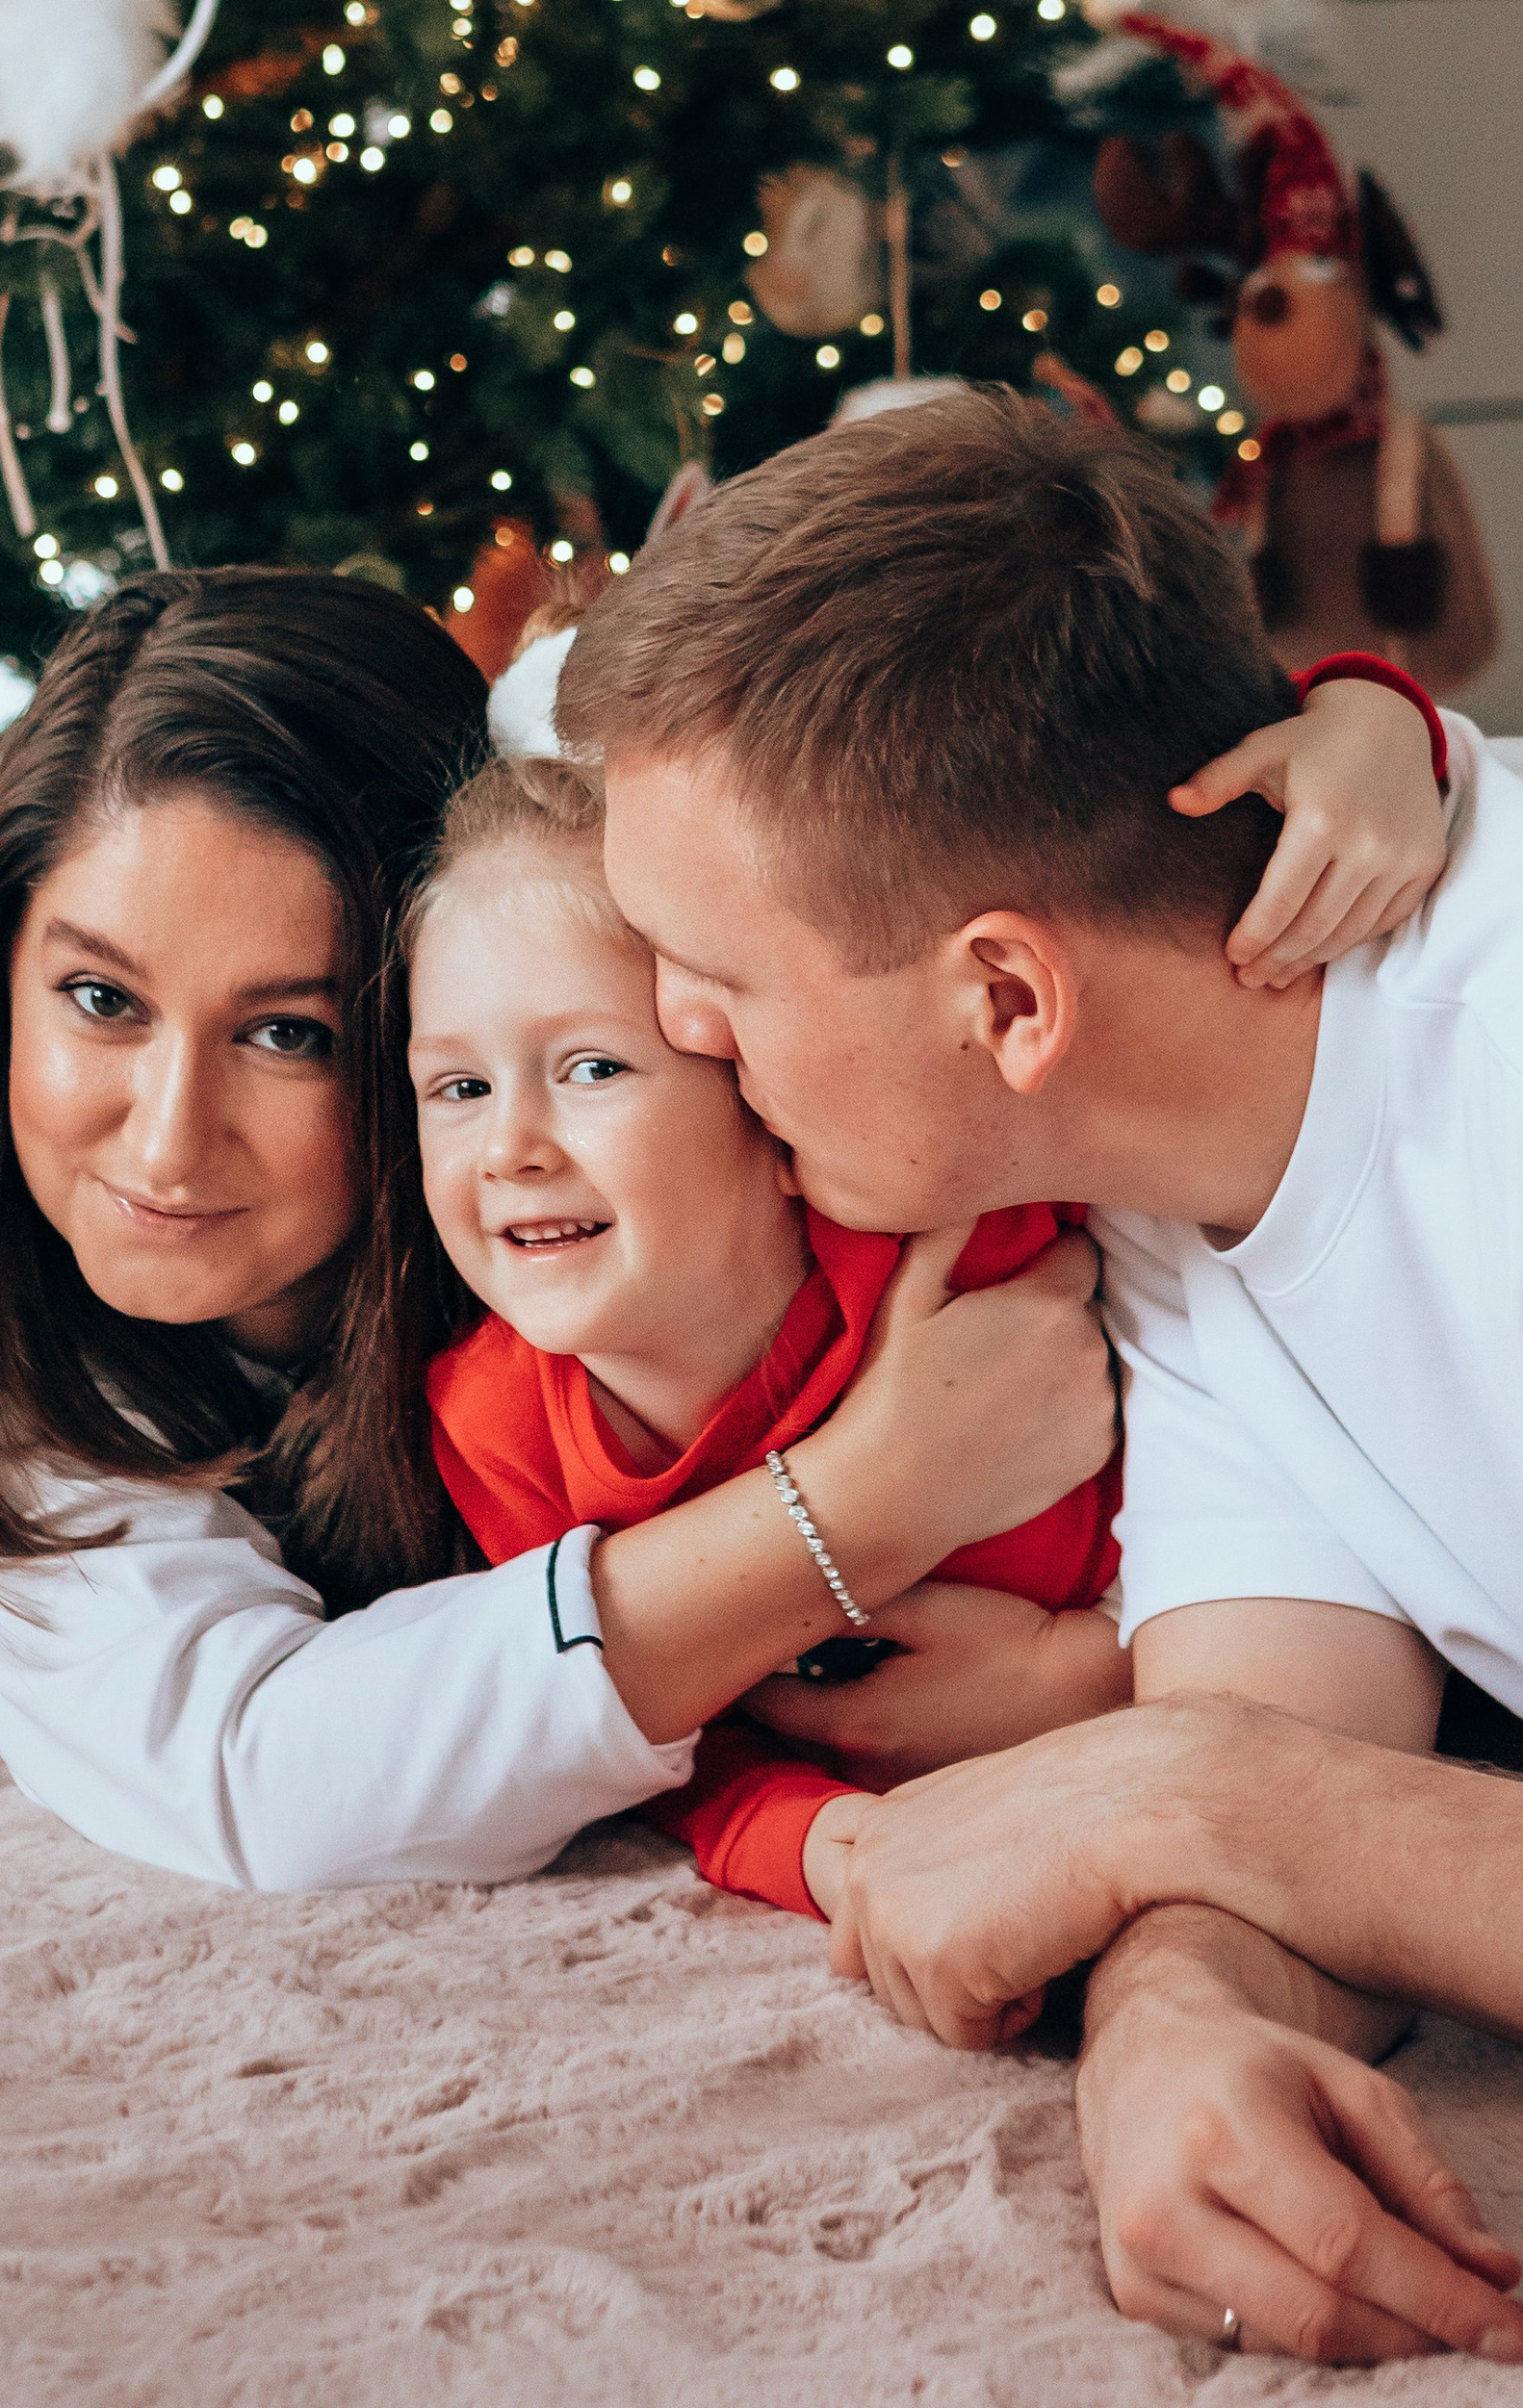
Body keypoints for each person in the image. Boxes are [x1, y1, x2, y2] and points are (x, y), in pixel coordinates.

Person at [563, 390, 1523, 2374]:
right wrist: (1176, 2026)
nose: (675, 1034)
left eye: (709, 966)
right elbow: (1289, 1675)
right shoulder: (1169, 1132)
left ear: (1003, 998)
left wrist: (1174, 1793)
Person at [0, 562, 1442, 1897]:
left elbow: (989, 833)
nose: (165, 1136)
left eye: (290, 1031)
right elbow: (261, 1781)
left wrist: (1365, 724)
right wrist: (868, 1504)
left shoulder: (608, 1159)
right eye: (97, 998)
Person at [411, 755, 1123, 1920]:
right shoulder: (494, 1429)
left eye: (591, 1068)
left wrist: (1383, 729)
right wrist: (830, 1846)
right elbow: (632, 1741)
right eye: (457, 1088)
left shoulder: (962, 1251)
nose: (508, 1149)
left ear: (759, 1091)